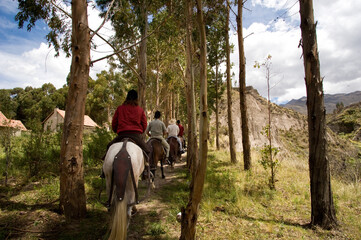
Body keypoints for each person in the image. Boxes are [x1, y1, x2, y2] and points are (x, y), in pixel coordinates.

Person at [106, 89, 150, 157]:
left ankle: (104, 163)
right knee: (147, 151)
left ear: (127, 98)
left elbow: (114, 123)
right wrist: (141, 131)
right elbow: (144, 124)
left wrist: (116, 130)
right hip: (136, 136)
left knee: (108, 147)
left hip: (121, 135)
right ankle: (147, 165)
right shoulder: (140, 110)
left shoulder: (119, 108)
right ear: (136, 99)